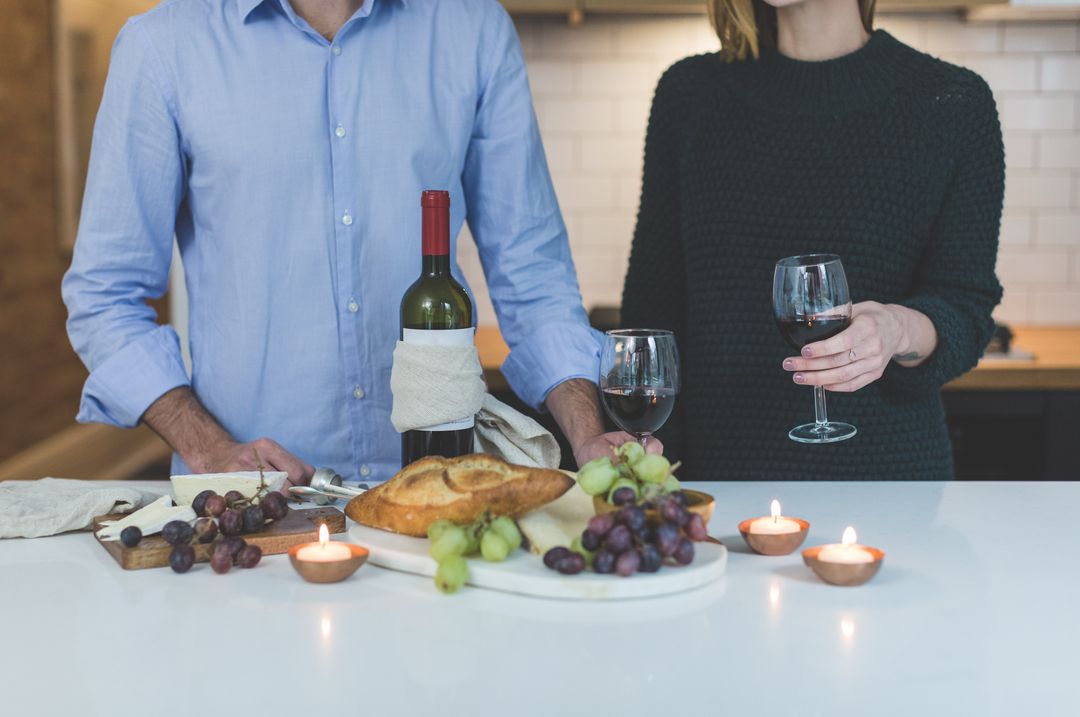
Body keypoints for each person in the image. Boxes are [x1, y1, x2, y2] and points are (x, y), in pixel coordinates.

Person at [62, 0, 651, 488]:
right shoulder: (163, 47)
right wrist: (210, 448)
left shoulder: (473, 31)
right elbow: (105, 297)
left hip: (437, 498)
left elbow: (533, 273)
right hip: (254, 509)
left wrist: (586, 432)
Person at [621, 0, 1004, 479]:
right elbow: (651, 311)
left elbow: (966, 310)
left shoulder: (953, 102)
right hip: (716, 487)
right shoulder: (688, 95)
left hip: (889, 488)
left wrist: (895, 328)